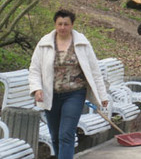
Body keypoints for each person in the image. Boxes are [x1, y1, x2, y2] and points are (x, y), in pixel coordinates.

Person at [29, 9, 109, 159]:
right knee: (55, 136)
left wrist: (102, 95)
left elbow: (94, 70)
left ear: (72, 25)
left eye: (66, 24)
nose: (62, 27)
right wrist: (37, 89)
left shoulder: (82, 43)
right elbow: (35, 68)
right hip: (50, 94)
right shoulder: (44, 43)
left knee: (66, 133)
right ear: (55, 24)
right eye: (59, 24)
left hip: (74, 94)